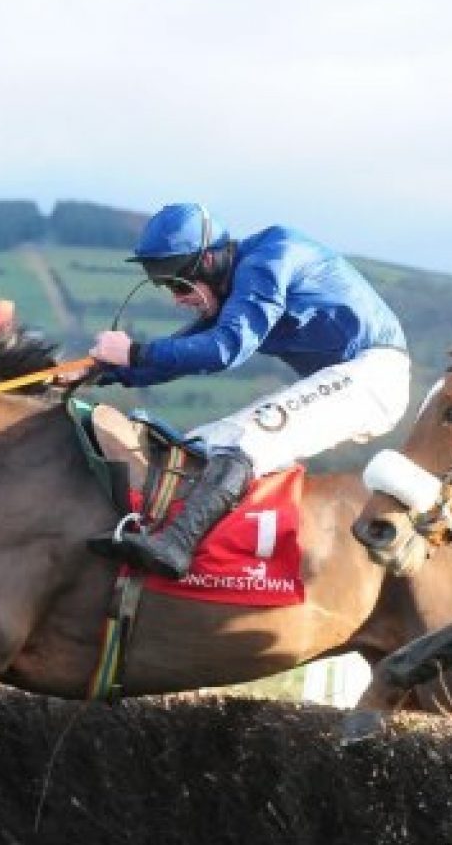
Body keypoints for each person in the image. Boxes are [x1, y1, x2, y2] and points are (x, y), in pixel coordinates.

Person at [64, 203, 411, 579]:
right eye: (167, 287)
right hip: (348, 377)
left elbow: (224, 349)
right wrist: (99, 373)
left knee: (242, 438)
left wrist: (132, 352)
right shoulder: (233, 282)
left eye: (181, 284)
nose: (177, 299)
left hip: (374, 375)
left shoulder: (269, 259)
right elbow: (181, 354)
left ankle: (176, 545)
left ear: (211, 260)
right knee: (202, 443)